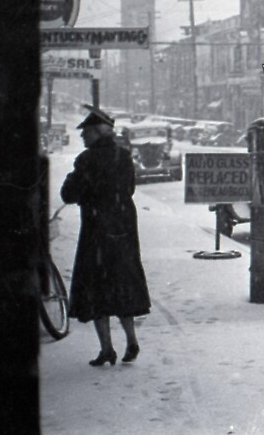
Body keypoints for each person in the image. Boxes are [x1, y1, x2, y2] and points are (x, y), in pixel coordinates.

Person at [61, 107, 150, 367]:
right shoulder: (124, 156)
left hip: (96, 232)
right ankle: (131, 340)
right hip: (123, 230)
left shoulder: (86, 160)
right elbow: (130, 188)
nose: (83, 138)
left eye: (86, 133)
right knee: (123, 284)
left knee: (97, 288)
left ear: (97, 133)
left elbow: (69, 194)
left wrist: (73, 179)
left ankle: (107, 349)